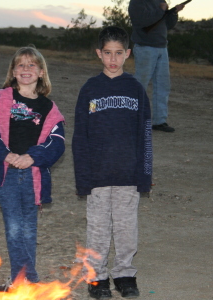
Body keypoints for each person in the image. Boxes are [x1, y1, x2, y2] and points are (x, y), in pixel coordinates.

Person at [0, 46, 65, 290]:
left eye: (32, 65)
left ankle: (22, 282)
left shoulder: (49, 107)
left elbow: (56, 143)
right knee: (15, 228)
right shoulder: (2, 99)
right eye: (21, 65)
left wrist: (33, 157)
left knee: (28, 229)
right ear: (13, 71)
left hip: (33, 174)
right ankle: (26, 280)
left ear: (41, 72)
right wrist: (7, 155)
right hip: (8, 172)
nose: (26, 69)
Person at [72, 26, 153, 299]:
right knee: (98, 227)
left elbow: (145, 134)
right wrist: (83, 177)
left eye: (119, 53)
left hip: (128, 174)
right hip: (98, 175)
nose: (113, 59)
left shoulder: (135, 89)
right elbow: (79, 137)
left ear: (128, 53)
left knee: (126, 226)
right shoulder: (90, 90)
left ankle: (125, 274)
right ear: (99, 54)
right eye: (108, 53)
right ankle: (97, 278)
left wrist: (144, 174)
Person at [128, 0, 185, 132]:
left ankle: (160, 121)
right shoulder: (137, 2)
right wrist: (161, 10)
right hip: (145, 47)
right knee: (140, 84)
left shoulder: (160, 1)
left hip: (161, 47)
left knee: (163, 85)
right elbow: (142, 21)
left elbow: (167, 24)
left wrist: (173, 13)